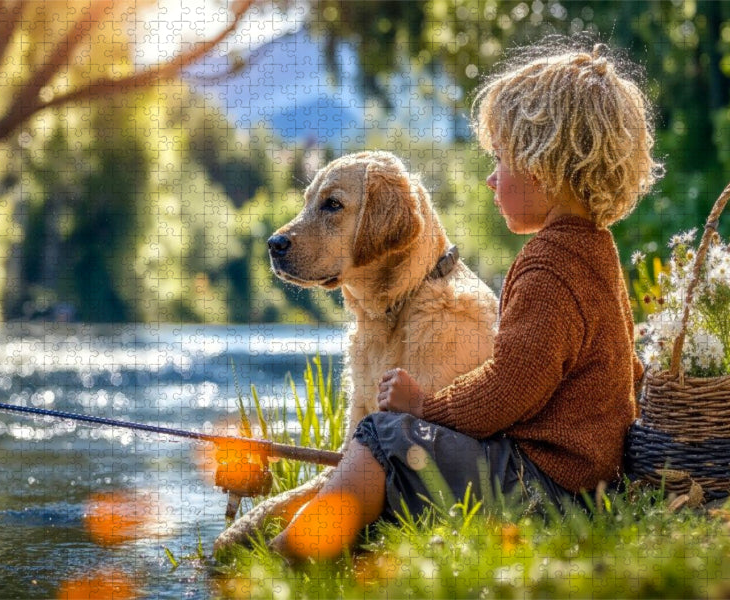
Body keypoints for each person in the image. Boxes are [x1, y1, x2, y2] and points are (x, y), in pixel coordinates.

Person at [271, 36, 663, 561]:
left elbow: (507, 389)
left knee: (384, 435)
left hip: (542, 490)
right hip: (584, 487)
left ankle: (294, 554)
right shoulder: (596, 250)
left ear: (543, 165)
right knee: (394, 442)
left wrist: (424, 407)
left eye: (500, 159)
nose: (490, 177)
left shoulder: (548, 266)